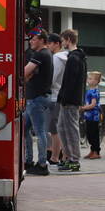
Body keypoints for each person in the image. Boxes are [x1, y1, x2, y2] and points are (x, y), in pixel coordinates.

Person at [23, 30, 54, 176]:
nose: (31, 41)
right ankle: (28, 161)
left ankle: (42, 164)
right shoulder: (47, 54)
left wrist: (25, 75)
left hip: (36, 99)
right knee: (24, 129)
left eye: (34, 39)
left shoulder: (40, 54)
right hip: (37, 98)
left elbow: (24, 72)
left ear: (42, 40)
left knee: (40, 131)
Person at [56, 29, 86, 172]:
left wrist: (65, 98)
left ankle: (74, 159)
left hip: (70, 100)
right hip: (68, 99)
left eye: (63, 40)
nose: (62, 43)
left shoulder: (74, 58)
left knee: (71, 129)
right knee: (62, 128)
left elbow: (71, 82)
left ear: (68, 39)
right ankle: (69, 157)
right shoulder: (76, 57)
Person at [46, 32, 65, 164]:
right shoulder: (65, 57)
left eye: (49, 43)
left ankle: (55, 157)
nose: (48, 46)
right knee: (57, 128)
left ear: (57, 44)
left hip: (54, 96)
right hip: (60, 95)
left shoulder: (57, 58)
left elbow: (52, 78)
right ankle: (60, 155)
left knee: (54, 129)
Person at [82, 71, 102, 160]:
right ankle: (92, 150)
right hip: (88, 116)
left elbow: (93, 104)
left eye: (90, 79)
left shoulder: (94, 92)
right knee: (89, 133)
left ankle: (96, 152)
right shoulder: (89, 90)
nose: (88, 80)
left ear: (96, 81)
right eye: (88, 78)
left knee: (94, 134)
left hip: (94, 116)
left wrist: (83, 108)